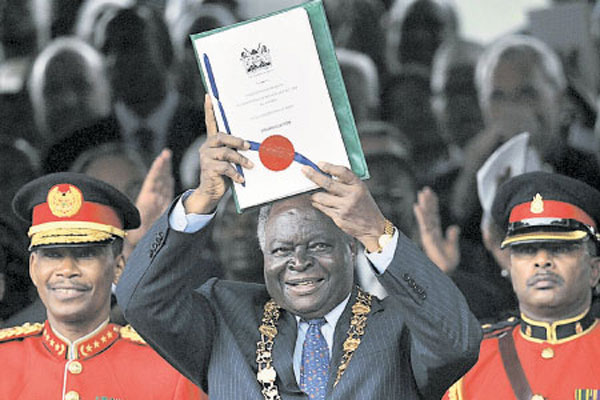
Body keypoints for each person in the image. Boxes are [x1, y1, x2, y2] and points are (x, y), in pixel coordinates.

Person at [116, 96, 482, 399]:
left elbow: (458, 341)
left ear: (350, 247)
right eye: (280, 250)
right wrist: (203, 198)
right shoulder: (224, 319)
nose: (299, 262)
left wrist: (376, 230)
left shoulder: (396, 328)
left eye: (318, 245)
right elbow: (141, 300)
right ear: (263, 255)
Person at [0, 172, 205, 399]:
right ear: (33, 268)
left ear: (118, 267)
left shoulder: (168, 372)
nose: (67, 269)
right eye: (53, 255)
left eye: (86, 254)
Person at [444, 171, 600, 399]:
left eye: (560, 248)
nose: (542, 261)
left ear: (595, 271)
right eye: (527, 250)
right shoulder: (471, 364)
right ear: (510, 267)